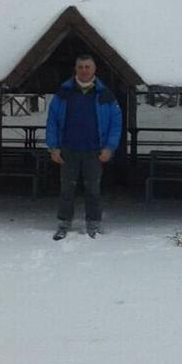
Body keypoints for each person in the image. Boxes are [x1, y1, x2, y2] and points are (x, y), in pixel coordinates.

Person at [45, 54, 123, 239]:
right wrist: (53, 147)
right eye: (80, 67)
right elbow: (52, 121)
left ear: (94, 70)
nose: (84, 70)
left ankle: (94, 223)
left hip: (94, 151)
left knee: (93, 189)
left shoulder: (105, 94)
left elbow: (116, 123)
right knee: (67, 189)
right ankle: (64, 223)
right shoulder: (63, 93)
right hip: (68, 150)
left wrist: (109, 147)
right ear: (75, 69)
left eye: (87, 67)